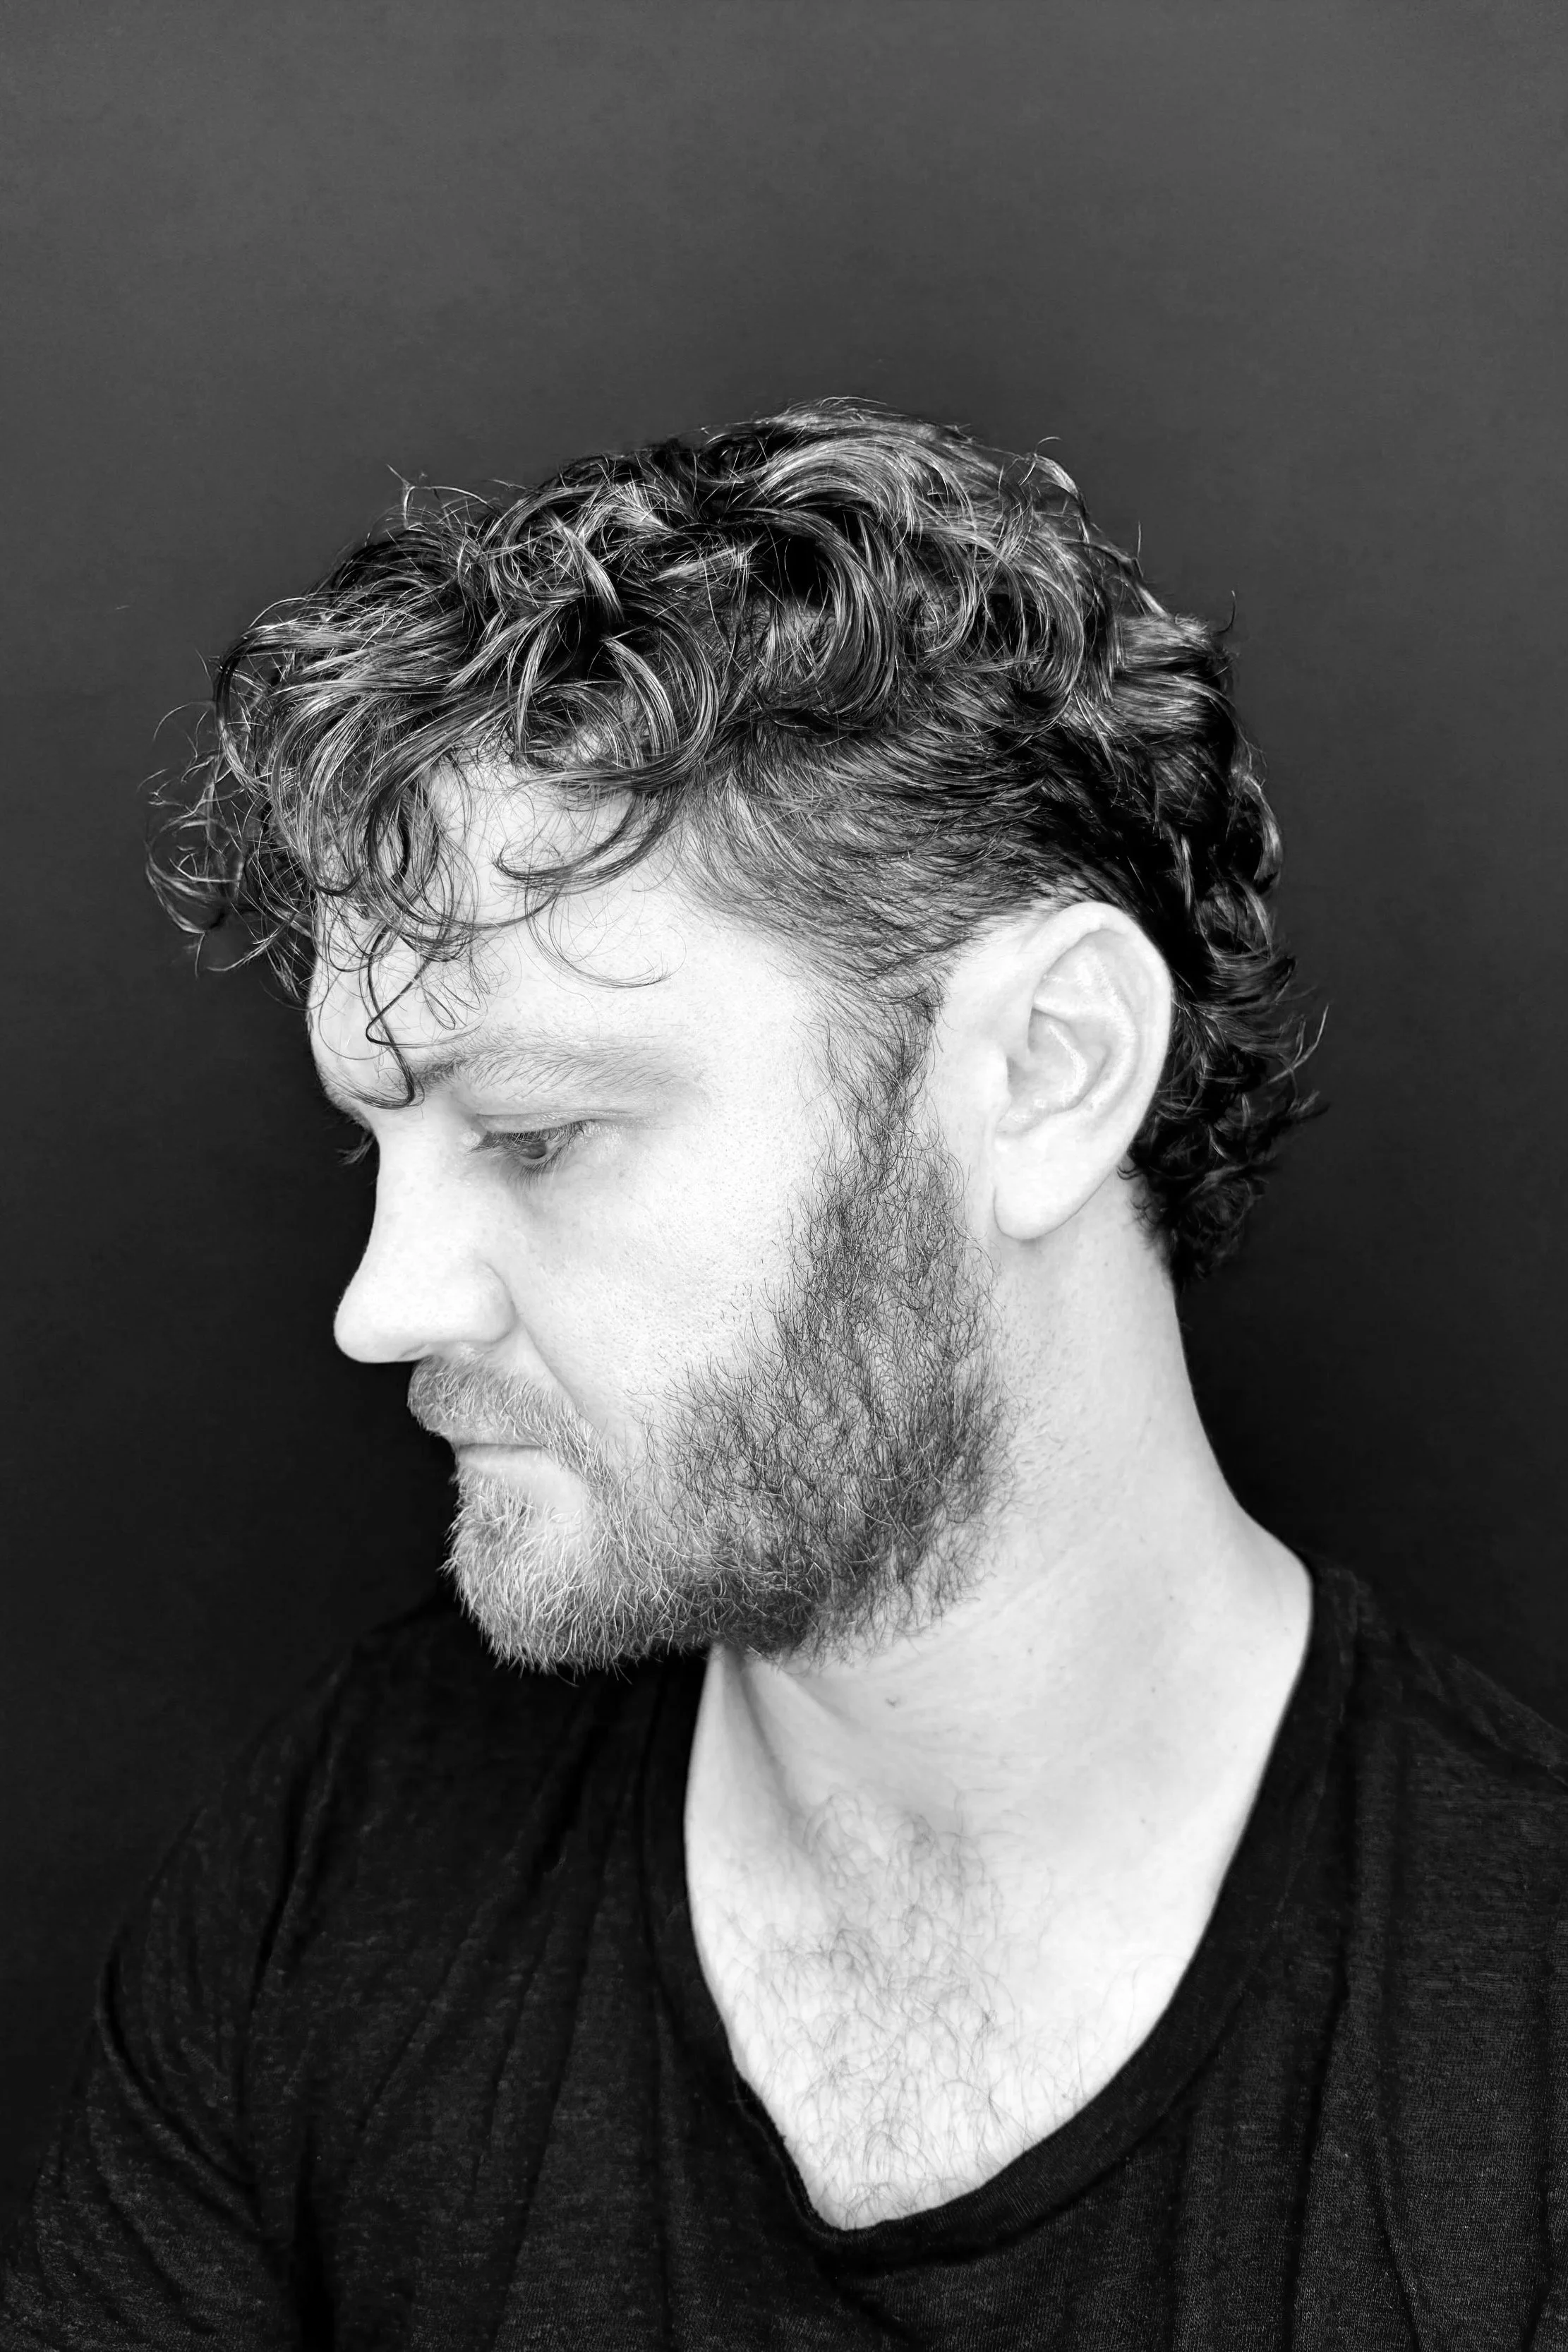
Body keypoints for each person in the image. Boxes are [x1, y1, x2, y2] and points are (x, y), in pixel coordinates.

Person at [3, 402, 1564, 2351]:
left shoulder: (1510, 2078)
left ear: (1043, 1070)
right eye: (372, 1145)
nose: (383, 1306)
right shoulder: (357, 1848)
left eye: (540, 1134)